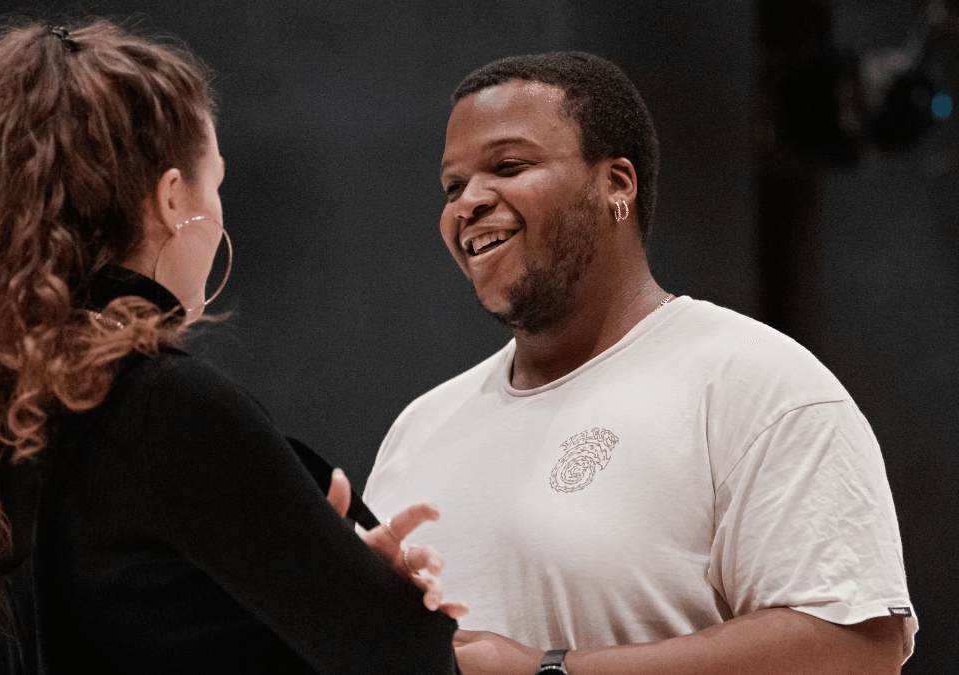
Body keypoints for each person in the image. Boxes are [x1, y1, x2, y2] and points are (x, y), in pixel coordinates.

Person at [0, 19, 464, 675]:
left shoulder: (5, 415)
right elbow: (409, 659)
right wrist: (381, 596)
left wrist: (329, 585)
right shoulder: (166, 408)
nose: (219, 213)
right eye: (215, 183)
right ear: (173, 198)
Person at [363, 52, 915, 675]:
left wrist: (551, 669)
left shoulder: (756, 383)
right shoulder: (420, 428)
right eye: (452, 187)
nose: (468, 203)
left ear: (617, 185)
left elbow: (859, 650)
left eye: (509, 166)